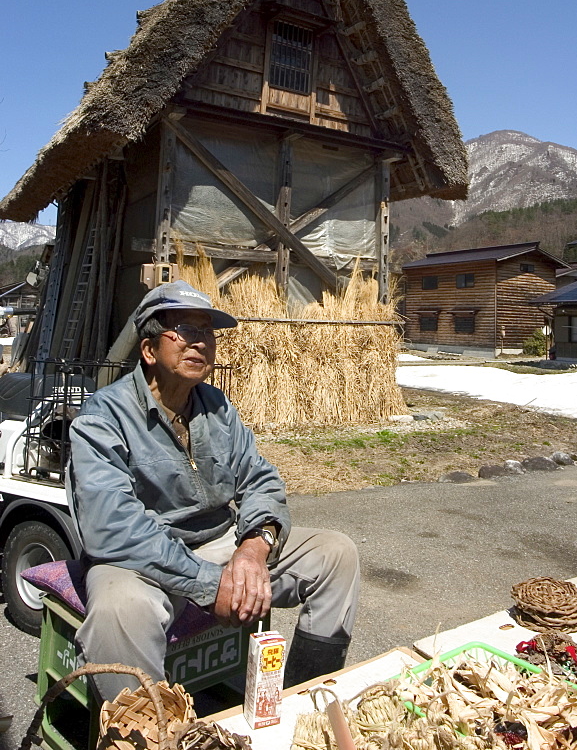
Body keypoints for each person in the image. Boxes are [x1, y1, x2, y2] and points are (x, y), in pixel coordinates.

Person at [67, 280, 359, 702]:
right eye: (185, 330)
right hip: (146, 561)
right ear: (149, 351)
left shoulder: (217, 407)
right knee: (119, 610)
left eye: (207, 332)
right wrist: (208, 583)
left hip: (220, 544)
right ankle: (148, 732)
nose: (200, 342)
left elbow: (261, 479)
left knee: (336, 554)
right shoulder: (103, 417)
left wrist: (254, 547)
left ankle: (303, 704)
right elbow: (112, 528)